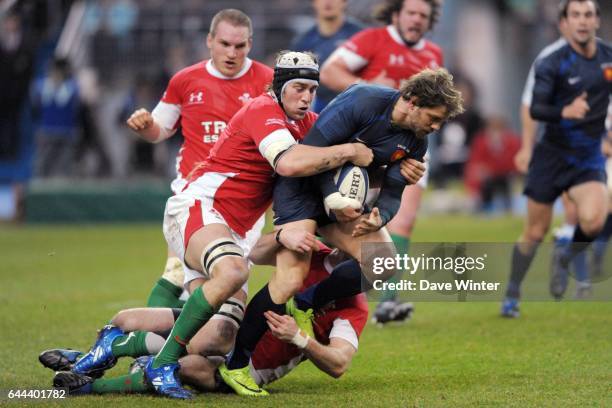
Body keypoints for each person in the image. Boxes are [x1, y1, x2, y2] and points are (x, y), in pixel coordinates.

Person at [134, 50, 376, 399]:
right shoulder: (264, 108)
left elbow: (360, 153)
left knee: (216, 333)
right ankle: (161, 361)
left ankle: (117, 344)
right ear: (279, 87)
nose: (306, 96)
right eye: (298, 87)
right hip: (201, 206)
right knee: (226, 274)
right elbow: (289, 163)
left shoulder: (309, 125)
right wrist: (350, 152)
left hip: (238, 228)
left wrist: (399, 166)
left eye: (312, 88)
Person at [221, 68, 464, 397]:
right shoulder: (362, 100)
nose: (435, 127)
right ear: (413, 101)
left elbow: (393, 193)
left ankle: (306, 304)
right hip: (302, 190)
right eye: (434, 118)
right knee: (290, 278)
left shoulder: (416, 143)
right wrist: (332, 197)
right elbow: (311, 150)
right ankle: (236, 365)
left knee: (383, 264)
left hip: (342, 203)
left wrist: (380, 217)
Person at [45, 236, 368, 397]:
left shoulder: (354, 307)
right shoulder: (313, 252)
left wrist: (299, 338)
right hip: (233, 330)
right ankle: (92, 356)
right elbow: (254, 252)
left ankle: (88, 385)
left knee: (187, 366)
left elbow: (339, 363)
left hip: (249, 368)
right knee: (125, 318)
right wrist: (284, 234)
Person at [126, 9, 272, 312]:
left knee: (226, 291)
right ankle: (145, 350)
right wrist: (145, 126)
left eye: (240, 46)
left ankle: (178, 346)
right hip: (194, 193)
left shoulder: (267, 83)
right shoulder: (185, 80)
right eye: (224, 44)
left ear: (250, 44)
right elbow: (160, 129)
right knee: (176, 273)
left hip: (244, 199)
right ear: (209, 41)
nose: (232, 53)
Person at [320, 0, 444, 323]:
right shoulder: (372, 40)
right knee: (343, 217)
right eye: (412, 13)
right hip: (366, 147)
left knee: (401, 219)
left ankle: (387, 300)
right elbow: (330, 71)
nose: (417, 19)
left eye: (423, 16)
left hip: (411, 147)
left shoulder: (433, 55)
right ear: (396, 14)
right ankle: (331, 285)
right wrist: (376, 91)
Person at [501, 0, 611, 317]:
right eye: (575, 15)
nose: (582, 21)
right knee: (535, 232)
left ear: (597, 21)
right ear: (564, 23)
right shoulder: (551, 60)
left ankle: (564, 256)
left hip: (588, 157)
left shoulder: (608, 58)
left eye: (588, 15)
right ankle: (512, 291)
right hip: (551, 156)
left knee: (595, 220)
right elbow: (535, 108)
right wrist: (565, 112)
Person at [291, 0, 363, 113]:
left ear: (344, 2)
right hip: (316, 104)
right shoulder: (303, 41)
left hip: (354, 102)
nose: (328, 2)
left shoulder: (361, 35)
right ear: (314, 2)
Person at [31, 57, 81, 177]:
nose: (55, 74)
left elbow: (77, 110)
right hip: (46, 131)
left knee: (65, 164)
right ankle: (40, 183)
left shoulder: (72, 88)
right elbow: (35, 108)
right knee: (42, 163)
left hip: (67, 132)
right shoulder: (40, 86)